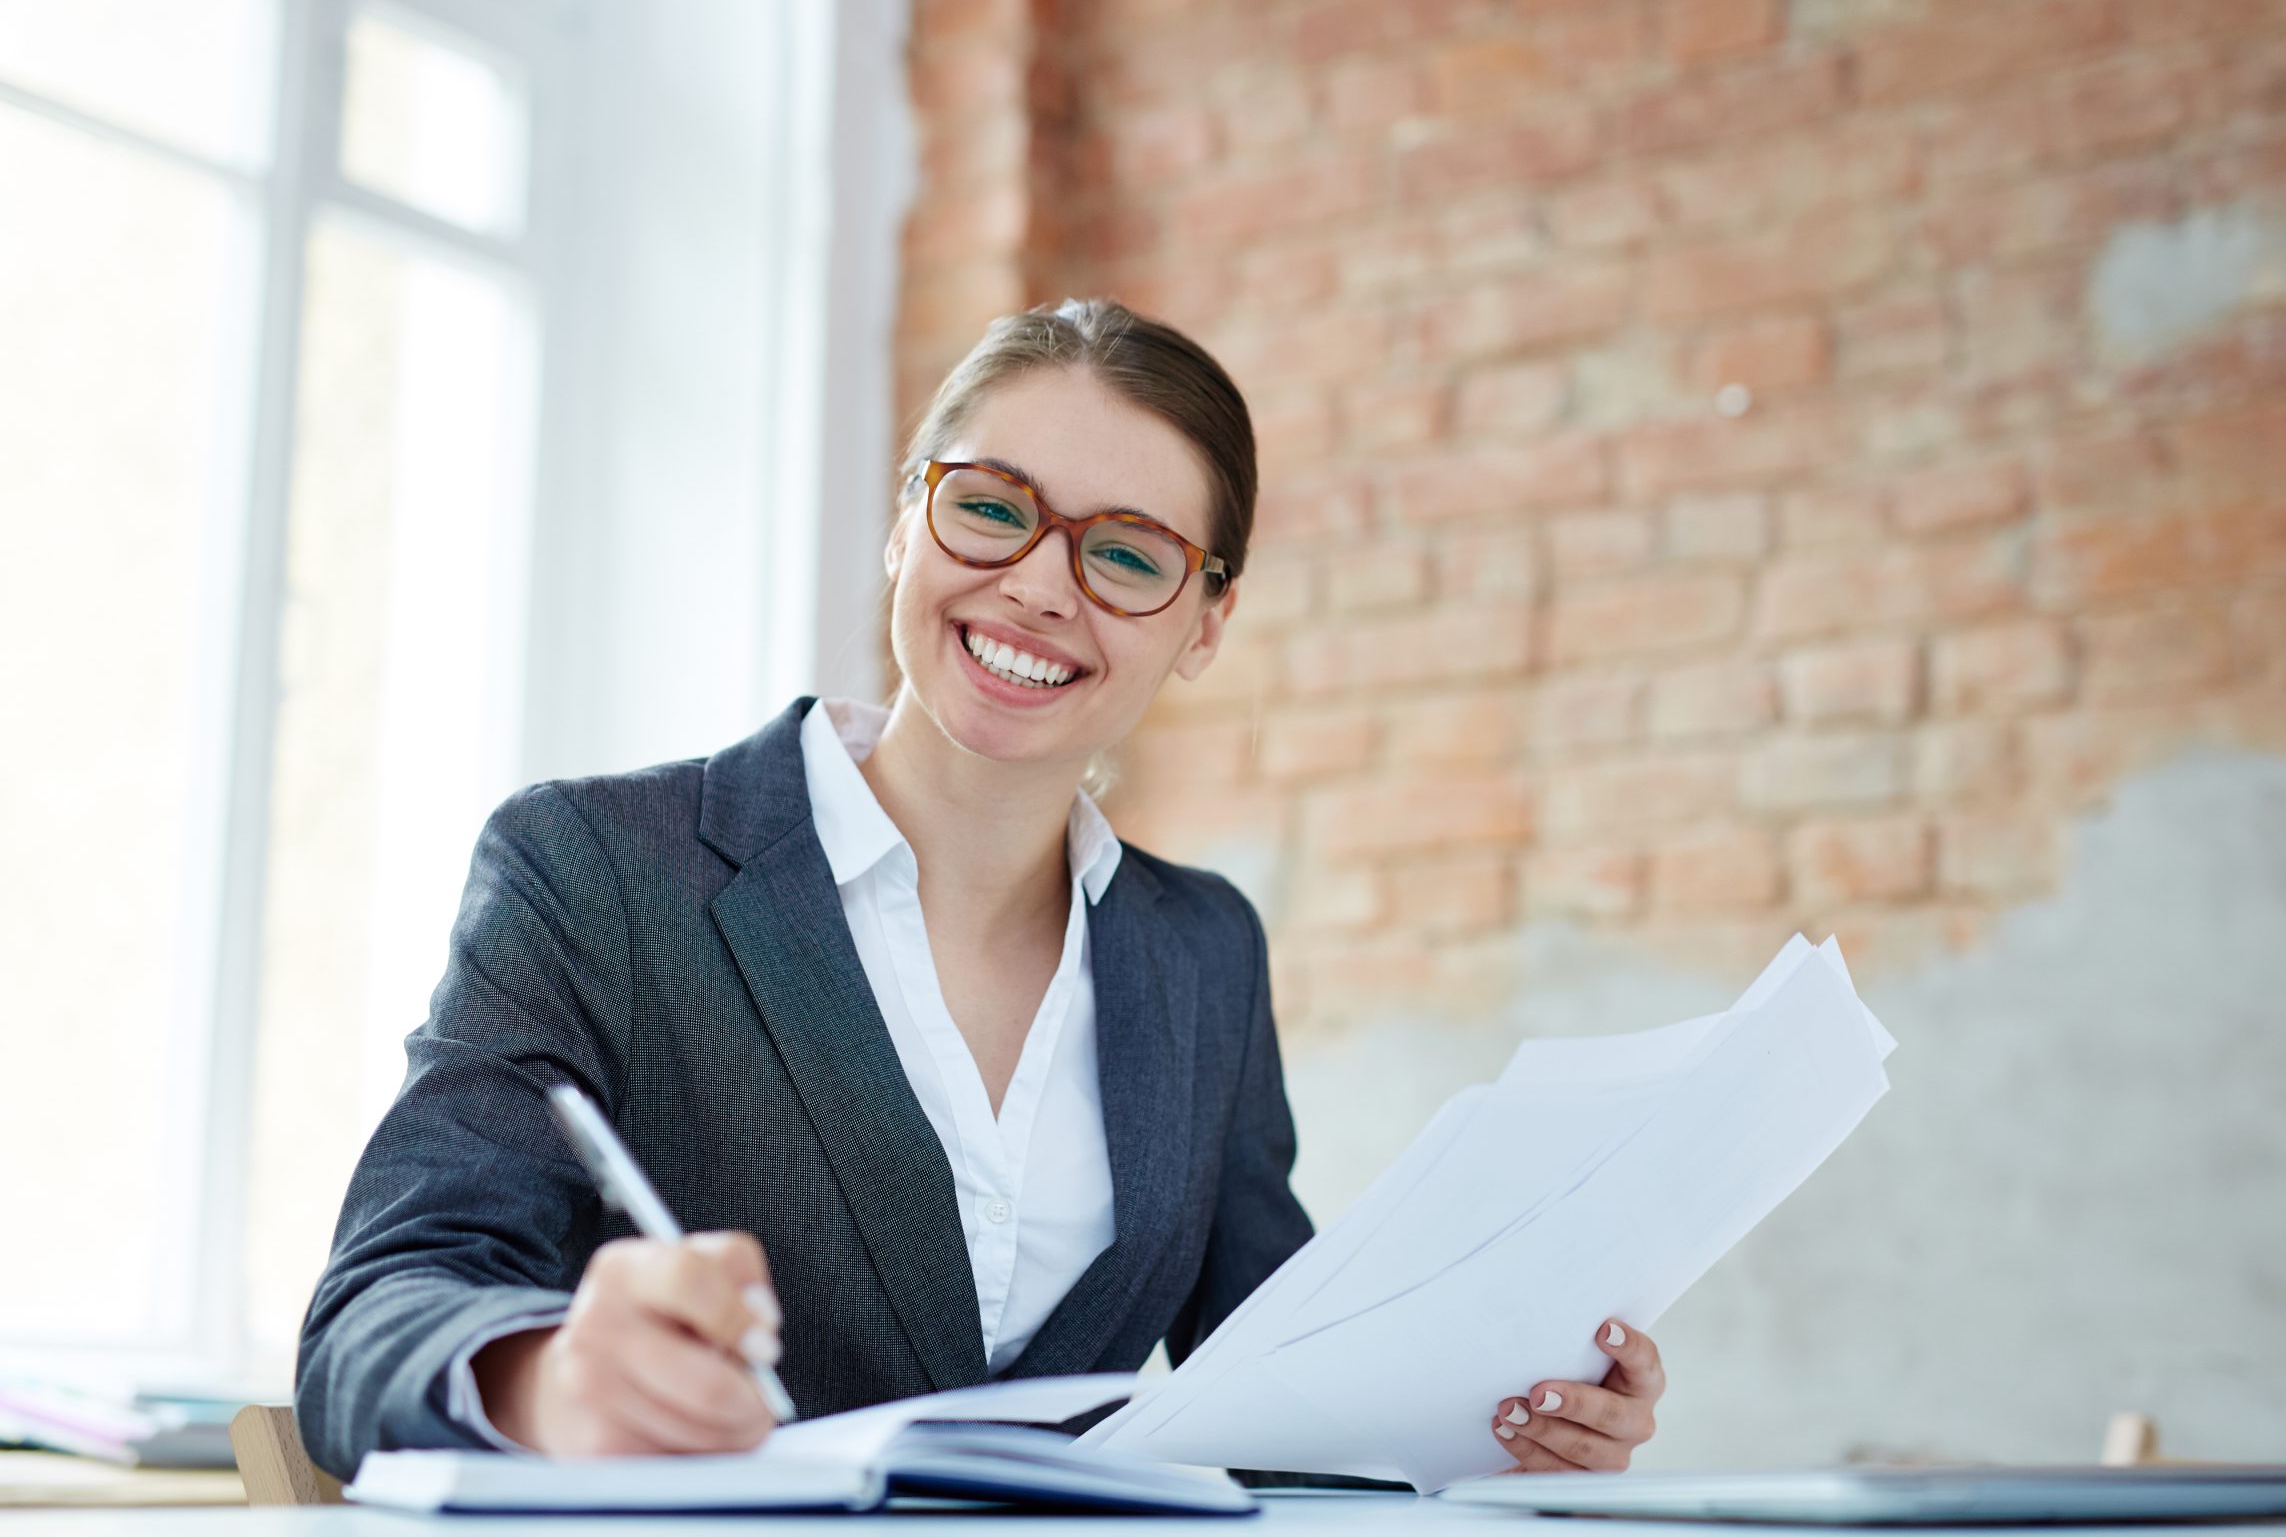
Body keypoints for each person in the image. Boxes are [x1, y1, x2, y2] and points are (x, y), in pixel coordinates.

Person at [293, 300, 1665, 1483]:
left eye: (1126, 555)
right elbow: (374, 1310)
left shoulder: (1201, 954)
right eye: (994, 508)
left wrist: (1502, 1408)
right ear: (907, 524)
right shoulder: (597, 870)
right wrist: (548, 1378)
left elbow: (1274, 1378)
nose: (1037, 585)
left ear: (1204, 626)